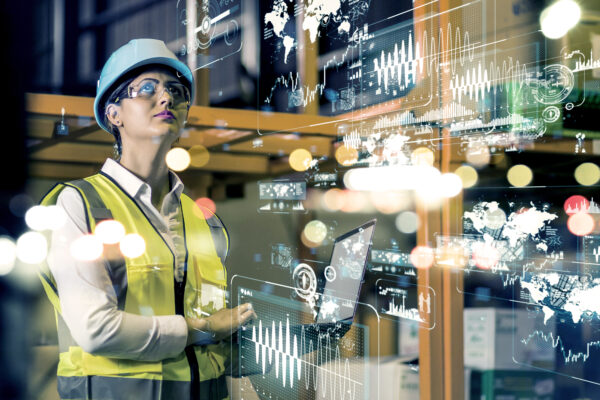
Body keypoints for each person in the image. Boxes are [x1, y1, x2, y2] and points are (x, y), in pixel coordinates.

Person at [37, 38, 256, 400]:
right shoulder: (79, 205)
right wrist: (202, 328)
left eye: (175, 90)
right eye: (147, 89)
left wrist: (284, 345)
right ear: (113, 113)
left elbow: (210, 348)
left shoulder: (201, 218)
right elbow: (96, 329)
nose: (166, 98)